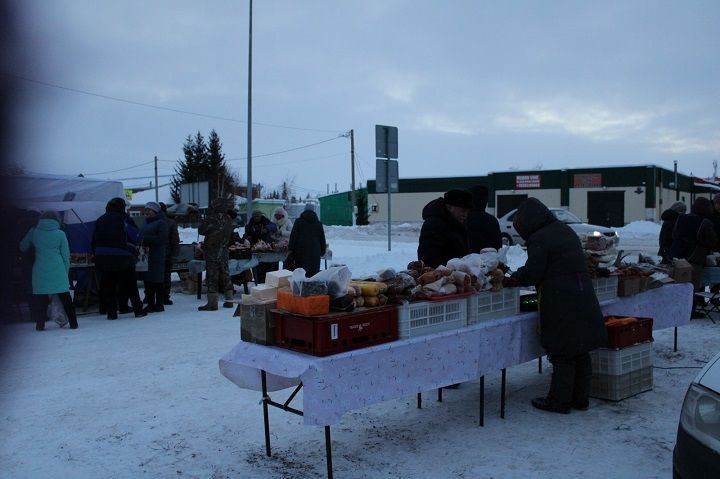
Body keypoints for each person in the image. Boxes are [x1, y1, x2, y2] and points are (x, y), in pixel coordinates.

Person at [510, 198, 607, 413]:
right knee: (580, 348)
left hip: (559, 297)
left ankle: (559, 401)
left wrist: (516, 277)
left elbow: (534, 272)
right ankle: (580, 399)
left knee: (563, 350)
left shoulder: (540, 238)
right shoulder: (563, 230)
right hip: (582, 293)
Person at [19, 210, 78, 331]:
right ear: (57, 220)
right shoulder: (60, 234)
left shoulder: (34, 232)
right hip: (58, 269)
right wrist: (65, 272)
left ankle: (40, 325)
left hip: (39, 269)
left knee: (41, 299)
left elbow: (22, 246)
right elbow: (66, 256)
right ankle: (73, 323)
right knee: (66, 299)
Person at [92, 197, 146, 319]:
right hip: (122, 256)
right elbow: (136, 235)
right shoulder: (125, 219)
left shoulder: (100, 220)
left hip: (103, 256)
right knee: (130, 284)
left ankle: (111, 313)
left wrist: (96, 254)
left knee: (109, 285)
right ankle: (138, 310)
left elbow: (94, 239)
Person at [670, 196, 717, 317]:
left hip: (678, 255)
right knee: (693, 285)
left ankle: (678, 308)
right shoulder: (705, 222)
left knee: (680, 283)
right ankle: (690, 311)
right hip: (695, 256)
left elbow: (674, 234)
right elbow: (711, 241)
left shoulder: (682, 218)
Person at [417, 189, 473, 268]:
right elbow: (429, 260)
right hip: (440, 277)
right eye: (463, 211)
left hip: (456, 276)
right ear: (449, 207)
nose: (466, 215)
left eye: (468, 212)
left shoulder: (457, 223)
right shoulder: (434, 224)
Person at [197, 198, 235, 311]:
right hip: (224, 250)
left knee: (212, 275)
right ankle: (229, 300)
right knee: (225, 274)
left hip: (212, 250)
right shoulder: (228, 218)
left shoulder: (210, 218)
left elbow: (201, 231)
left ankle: (212, 303)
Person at [139, 202, 168, 313]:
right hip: (145, 256)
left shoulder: (161, 223)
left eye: (149, 210)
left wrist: (144, 239)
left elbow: (162, 239)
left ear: (155, 211)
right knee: (148, 280)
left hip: (157, 255)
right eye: (145, 210)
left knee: (157, 280)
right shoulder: (145, 223)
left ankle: (159, 304)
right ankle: (151, 303)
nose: (146, 212)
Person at [288, 203, 326, 277]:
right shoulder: (318, 223)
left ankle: (301, 287)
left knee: (301, 273)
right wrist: (322, 251)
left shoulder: (298, 221)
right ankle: (312, 287)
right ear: (314, 211)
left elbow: (293, 236)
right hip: (315, 251)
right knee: (313, 273)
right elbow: (322, 238)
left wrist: (291, 249)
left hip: (300, 251)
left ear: (304, 210)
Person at [243, 210, 276, 283]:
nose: (256, 218)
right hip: (255, 249)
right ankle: (258, 283)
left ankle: (268, 282)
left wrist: (267, 228)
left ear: (261, 216)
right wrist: (247, 239)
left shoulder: (266, 222)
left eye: (258, 216)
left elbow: (274, 227)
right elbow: (246, 235)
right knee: (257, 267)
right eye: (254, 216)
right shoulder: (250, 225)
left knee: (267, 266)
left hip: (266, 248)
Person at [466, 185, 502, 252]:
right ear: (486, 201)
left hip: (466, 261)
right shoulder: (493, 221)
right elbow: (498, 248)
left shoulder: (463, 220)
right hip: (489, 261)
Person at [159, 202, 181, 305]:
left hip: (153, 253)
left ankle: (149, 295)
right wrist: (175, 254)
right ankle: (165, 297)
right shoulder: (171, 222)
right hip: (167, 253)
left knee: (151, 275)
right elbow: (175, 239)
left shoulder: (149, 220)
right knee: (166, 275)